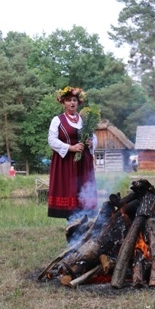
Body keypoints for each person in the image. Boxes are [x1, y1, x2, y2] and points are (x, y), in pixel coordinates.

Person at [47, 86, 97, 220]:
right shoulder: (57, 120)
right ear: (63, 103)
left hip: (83, 162)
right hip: (66, 163)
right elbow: (51, 140)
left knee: (84, 190)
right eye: (68, 100)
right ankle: (72, 224)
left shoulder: (84, 120)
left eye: (74, 100)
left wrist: (91, 142)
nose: (72, 103)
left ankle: (85, 224)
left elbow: (93, 136)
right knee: (70, 190)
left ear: (78, 103)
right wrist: (70, 148)